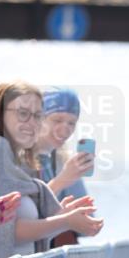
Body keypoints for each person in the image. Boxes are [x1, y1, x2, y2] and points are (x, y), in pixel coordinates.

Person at [0, 81, 103, 258]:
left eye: (37, 116)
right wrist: (64, 219)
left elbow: (22, 232)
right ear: (0, 113)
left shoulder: (39, 159)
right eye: (23, 113)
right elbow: (3, 232)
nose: (32, 123)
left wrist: (60, 216)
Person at [36, 87, 93, 247]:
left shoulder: (61, 161)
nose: (65, 129)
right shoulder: (18, 158)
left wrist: (71, 177)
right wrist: (63, 179)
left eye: (71, 123)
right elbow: (24, 215)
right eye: (57, 120)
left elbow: (88, 226)